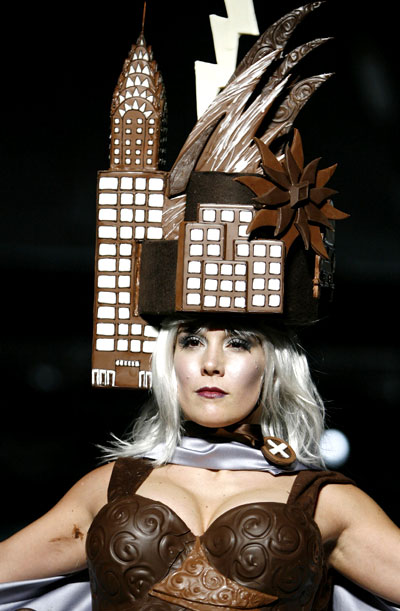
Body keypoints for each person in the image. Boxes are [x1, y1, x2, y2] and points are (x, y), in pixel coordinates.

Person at [0, 316, 399, 610]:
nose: (211, 363)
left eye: (238, 342)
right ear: (169, 358)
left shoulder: (327, 501)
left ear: (274, 364)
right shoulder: (110, 486)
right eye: (191, 339)